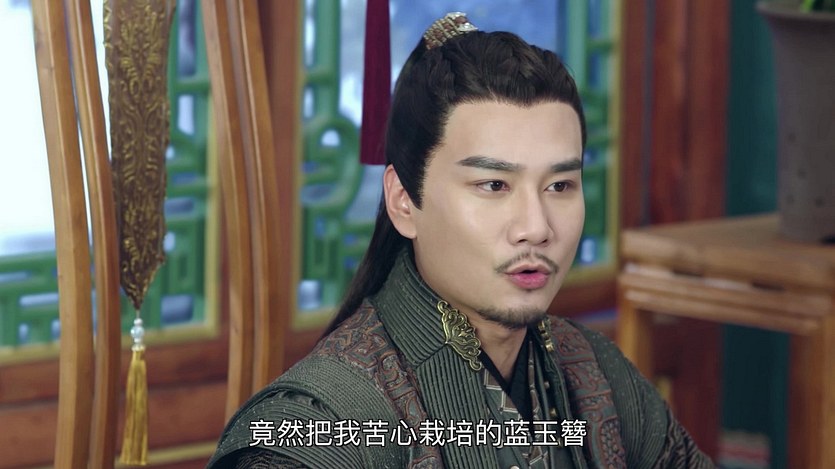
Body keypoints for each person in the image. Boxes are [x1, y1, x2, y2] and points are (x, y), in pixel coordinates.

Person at [209, 12, 714, 469]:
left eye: (560, 186)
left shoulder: (598, 376)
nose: (537, 227)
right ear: (403, 201)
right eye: (493, 185)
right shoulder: (320, 426)